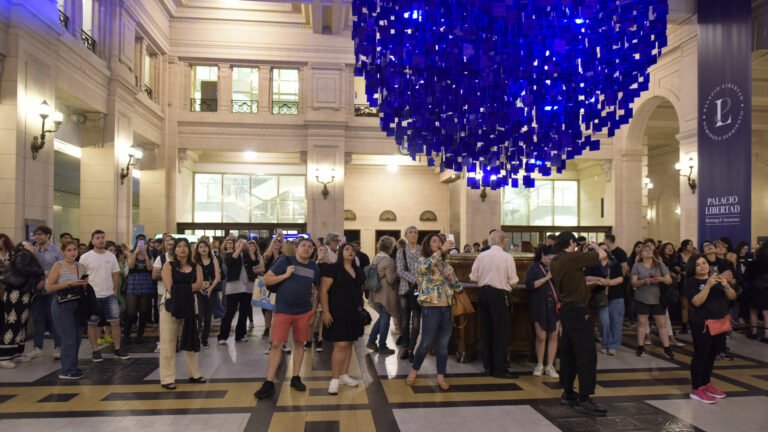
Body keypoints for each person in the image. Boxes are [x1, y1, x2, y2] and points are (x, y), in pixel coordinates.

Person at [549, 231, 608, 416]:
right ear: (572, 242)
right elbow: (603, 256)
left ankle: (568, 392)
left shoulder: (556, 260)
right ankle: (584, 397)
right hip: (578, 310)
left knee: (569, 352)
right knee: (586, 353)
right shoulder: (572, 258)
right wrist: (595, 246)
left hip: (566, 310)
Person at [255, 238, 320, 400]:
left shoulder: (314, 267)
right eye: (303, 246)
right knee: (276, 344)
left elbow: (319, 288)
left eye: (310, 247)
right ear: (296, 248)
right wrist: (285, 275)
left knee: (300, 343)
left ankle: (296, 377)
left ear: (313, 251)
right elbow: (266, 280)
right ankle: (269, 382)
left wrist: (314, 309)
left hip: (304, 312)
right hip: (283, 310)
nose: (307, 249)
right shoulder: (285, 261)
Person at [405, 234, 463, 391]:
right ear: (428, 245)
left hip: (447, 308)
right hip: (431, 307)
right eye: (435, 241)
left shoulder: (446, 265)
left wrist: (452, 280)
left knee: (443, 345)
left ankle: (441, 377)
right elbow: (425, 268)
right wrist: (440, 252)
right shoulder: (422, 261)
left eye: (441, 242)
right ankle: (413, 371)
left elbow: (459, 289)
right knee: (426, 343)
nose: (439, 244)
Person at [684, 255, 736, 403]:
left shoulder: (717, 279)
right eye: (698, 264)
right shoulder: (691, 282)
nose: (702, 266)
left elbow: (732, 297)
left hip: (719, 322)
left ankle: (706, 384)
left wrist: (726, 285)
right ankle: (696, 388)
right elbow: (696, 302)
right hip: (702, 324)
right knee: (701, 355)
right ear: (692, 268)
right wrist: (707, 285)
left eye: (704, 263)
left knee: (712, 354)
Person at [470, 230, 519, 379]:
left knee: (486, 331)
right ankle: (499, 369)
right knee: (501, 333)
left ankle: (487, 367)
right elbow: (513, 281)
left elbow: (473, 277)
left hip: (483, 295)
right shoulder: (507, 257)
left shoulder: (481, 256)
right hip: (499, 296)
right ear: (503, 241)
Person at [159, 238, 205, 390]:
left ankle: (195, 374)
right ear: (175, 249)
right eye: (179, 246)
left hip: (190, 306)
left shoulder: (196, 266)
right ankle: (167, 378)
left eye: (185, 246)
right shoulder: (168, 266)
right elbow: (170, 287)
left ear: (189, 249)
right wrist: (189, 287)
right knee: (168, 342)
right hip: (171, 305)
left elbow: (200, 284)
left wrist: (184, 287)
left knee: (191, 339)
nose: (182, 249)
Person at [321, 243, 365, 395]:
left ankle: (344, 375)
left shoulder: (358, 271)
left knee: (349, 343)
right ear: (341, 253)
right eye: (347, 249)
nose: (351, 252)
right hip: (337, 312)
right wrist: (325, 312)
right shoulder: (333, 269)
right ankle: (334, 379)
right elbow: (323, 291)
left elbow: (360, 291)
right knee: (340, 344)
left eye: (353, 250)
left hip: (353, 313)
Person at [79, 230, 131, 362]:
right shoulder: (86, 257)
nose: (100, 240)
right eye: (97, 238)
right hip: (93, 296)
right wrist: (85, 292)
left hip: (109, 295)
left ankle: (118, 349)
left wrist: (114, 290)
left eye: (102, 237)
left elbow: (115, 273)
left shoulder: (111, 256)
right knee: (93, 323)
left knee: (115, 322)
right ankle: (95, 350)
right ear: (92, 240)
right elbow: (82, 275)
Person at [46, 241, 89, 379]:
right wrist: (69, 283)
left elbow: (85, 286)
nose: (72, 252)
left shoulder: (81, 266)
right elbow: (49, 287)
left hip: (78, 304)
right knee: (68, 337)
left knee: (77, 337)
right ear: (63, 252)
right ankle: (66, 370)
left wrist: (84, 284)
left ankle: (72, 365)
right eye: (69, 250)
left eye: (74, 249)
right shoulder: (58, 266)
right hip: (62, 304)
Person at [0, 242, 44, 369]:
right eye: (28, 243)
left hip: (23, 293)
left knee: (21, 323)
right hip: (16, 294)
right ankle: (4, 355)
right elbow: (21, 268)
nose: (32, 245)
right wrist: (41, 271)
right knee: (13, 322)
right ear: (23, 246)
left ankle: (16, 352)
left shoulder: (26, 255)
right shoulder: (24, 254)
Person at [26, 225, 63, 362]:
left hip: (52, 289)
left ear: (48, 235)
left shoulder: (56, 250)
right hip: (36, 289)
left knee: (54, 318)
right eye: (35, 234)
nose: (37, 237)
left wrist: (47, 281)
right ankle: (37, 347)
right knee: (37, 318)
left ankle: (59, 346)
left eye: (40, 234)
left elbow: (61, 269)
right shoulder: (33, 251)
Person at [630, 244, 674, 359]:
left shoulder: (660, 265)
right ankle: (640, 346)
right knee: (641, 323)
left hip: (658, 299)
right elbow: (633, 283)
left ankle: (667, 348)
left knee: (662, 324)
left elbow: (669, 280)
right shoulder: (637, 266)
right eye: (645, 250)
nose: (648, 252)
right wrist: (645, 281)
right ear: (640, 254)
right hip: (642, 298)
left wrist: (660, 279)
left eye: (650, 250)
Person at [527, 245, 560, 375]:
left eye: (552, 258)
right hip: (539, 305)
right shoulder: (534, 268)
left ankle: (550, 365)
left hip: (555, 306)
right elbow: (530, 285)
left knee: (554, 335)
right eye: (548, 257)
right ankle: (540, 364)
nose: (550, 260)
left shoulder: (558, 267)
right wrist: (547, 277)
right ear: (542, 255)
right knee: (541, 336)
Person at [218, 236, 258, 344]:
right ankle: (222, 336)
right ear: (236, 245)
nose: (242, 244)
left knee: (244, 312)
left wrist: (249, 249)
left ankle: (240, 334)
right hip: (234, 287)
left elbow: (255, 261)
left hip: (247, 287)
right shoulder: (229, 254)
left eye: (243, 242)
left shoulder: (247, 255)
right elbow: (229, 262)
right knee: (229, 312)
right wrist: (239, 249)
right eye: (239, 242)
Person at [586, 244, 624, 356]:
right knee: (604, 321)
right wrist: (599, 279)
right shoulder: (593, 264)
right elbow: (586, 276)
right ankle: (605, 343)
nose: (604, 251)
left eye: (605, 249)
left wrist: (610, 282)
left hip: (616, 295)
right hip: (600, 295)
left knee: (616, 321)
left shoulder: (615, 263)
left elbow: (621, 278)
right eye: (601, 249)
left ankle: (612, 345)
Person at [366, 236, 399, 355]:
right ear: (390, 247)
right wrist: (398, 271)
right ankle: (382, 345)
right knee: (385, 317)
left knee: (382, 317)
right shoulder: (389, 260)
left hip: (376, 291)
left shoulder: (376, 257)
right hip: (385, 293)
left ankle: (372, 340)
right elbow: (390, 279)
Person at [396, 226, 421, 361]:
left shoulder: (422, 251)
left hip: (419, 291)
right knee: (405, 322)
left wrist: (419, 281)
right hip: (405, 290)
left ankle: (412, 348)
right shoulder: (400, 252)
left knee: (416, 323)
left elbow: (426, 267)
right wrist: (416, 279)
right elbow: (400, 271)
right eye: (410, 232)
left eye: (416, 232)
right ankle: (405, 347)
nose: (413, 235)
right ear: (405, 235)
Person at [124, 235, 155, 344]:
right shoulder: (131, 254)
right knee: (131, 311)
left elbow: (150, 268)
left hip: (146, 282)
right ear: (136, 244)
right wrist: (136, 252)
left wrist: (146, 254)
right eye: (140, 244)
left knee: (143, 311)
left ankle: (140, 334)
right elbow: (131, 266)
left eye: (144, 244)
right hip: (134, 282)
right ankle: (126, 334)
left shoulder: (150, 255)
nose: (142, 246)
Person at [194, 240, 221, 349]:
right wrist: (199, 287)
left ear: (209, 248)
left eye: (205, 246)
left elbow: (217, 276)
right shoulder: (195, 261)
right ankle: (196, 338)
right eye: (200, 247)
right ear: (197, 249)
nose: (203, 249)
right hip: (198, 290)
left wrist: (210, 289)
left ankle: (204, 339)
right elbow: (193, 276)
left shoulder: (214, 259)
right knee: (199, 315)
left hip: (212, 290)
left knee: (208, 316)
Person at [744, 246, 768, 341]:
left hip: (753, 289)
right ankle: (767, 335)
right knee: (766, 312)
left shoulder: (752, 263)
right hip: (766, 289)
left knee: (753, 311)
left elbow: (746, 277)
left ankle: (754, 333)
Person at [678, 239, 695, 334]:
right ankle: (684, 326)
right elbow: (675, 266)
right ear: (684, 246)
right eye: (690, 245)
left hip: (693, 281)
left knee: (692, 304)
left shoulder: (695, 256)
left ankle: (693, 324)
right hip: (683, 282)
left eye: (692, 245)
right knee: (684, 304)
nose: (692, 246)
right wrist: (681, 272)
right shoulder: (679, 256)